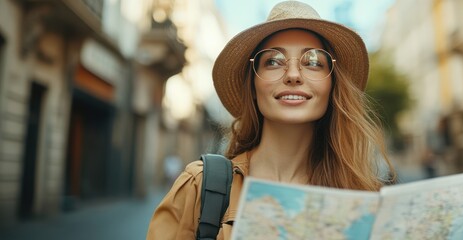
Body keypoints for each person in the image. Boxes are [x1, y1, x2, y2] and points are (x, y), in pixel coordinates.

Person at [147, 1, 395, 239]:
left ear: (332, 86)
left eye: (313, 62)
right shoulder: (199, 187)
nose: (293, 75)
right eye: (273, 61)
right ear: (253, 86)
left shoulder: (363, 200)